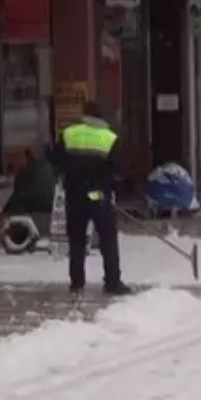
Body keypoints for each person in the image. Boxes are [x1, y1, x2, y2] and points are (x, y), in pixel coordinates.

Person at [49, 101, 131, 296]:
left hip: (75, 195)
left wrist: (69, 172)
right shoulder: (109, 138)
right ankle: (112, 281)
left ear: (84, 115)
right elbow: (119, 171)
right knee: (108, 240)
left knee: (76, 240)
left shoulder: (69, 134)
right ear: (101, 117)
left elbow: (55, 160)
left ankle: (77, 282)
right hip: (99, 195)